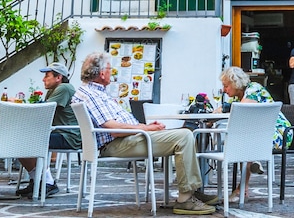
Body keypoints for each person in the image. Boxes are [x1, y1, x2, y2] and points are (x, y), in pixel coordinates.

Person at [73, 52, 217, 215]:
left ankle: (190, 191)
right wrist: (145, 128)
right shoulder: (91, 94)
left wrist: (145, 127)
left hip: (128, 138)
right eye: (110, 68)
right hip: (117, 143)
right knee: (184, 136)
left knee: (183, 134)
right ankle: (185, 199)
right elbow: (113, 129)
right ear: (101, 73)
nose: (112, 72)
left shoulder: (95, 92)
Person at [218, 67, 291, 198]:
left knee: (245, 141)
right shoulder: (238, 97)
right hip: (260, 135)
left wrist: (223, 109)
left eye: (226, 86)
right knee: (244, 140)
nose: (224, 90)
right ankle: (245, 182)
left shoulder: (254, 89)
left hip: (279, 133)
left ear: (235, 83)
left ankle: (243, 187)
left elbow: (241, 109)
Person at [15, 63, 81, 198]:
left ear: (58, 77)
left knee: (26, 140)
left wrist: (19, 104)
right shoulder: (53, 90)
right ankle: (37, 180)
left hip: (69, 136)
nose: (43, 79)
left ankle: (49, 183)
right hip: (59, 132)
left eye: (47, 75)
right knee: (17, 141)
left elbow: (44, 109)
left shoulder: (64, 88)